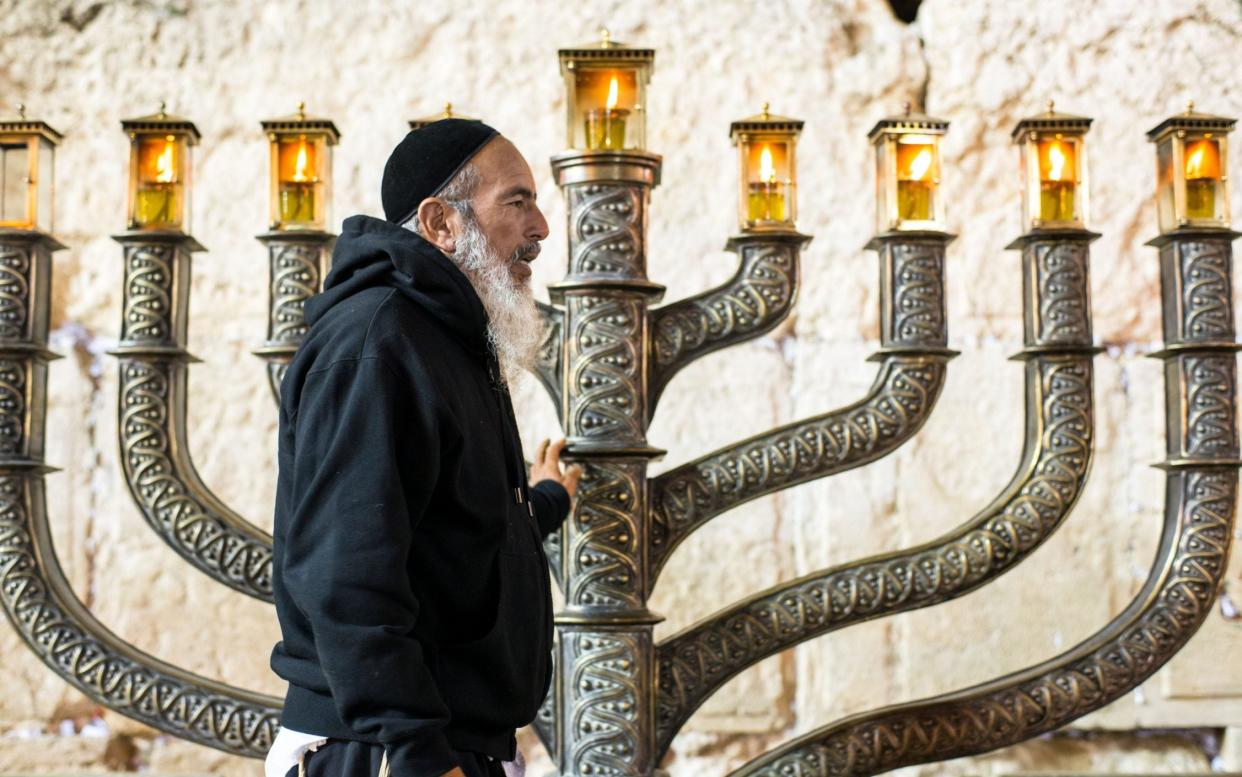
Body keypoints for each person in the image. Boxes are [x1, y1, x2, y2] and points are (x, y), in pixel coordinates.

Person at [265, 119, 582, 777]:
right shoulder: (379, 342)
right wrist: (419, 753)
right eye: (517, 201)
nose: (542, 227)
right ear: (441, 221)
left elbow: (442, 533)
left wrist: (544, 500)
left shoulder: (446, 339)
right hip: (384, 750)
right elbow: (347, 570)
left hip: (441, 742)